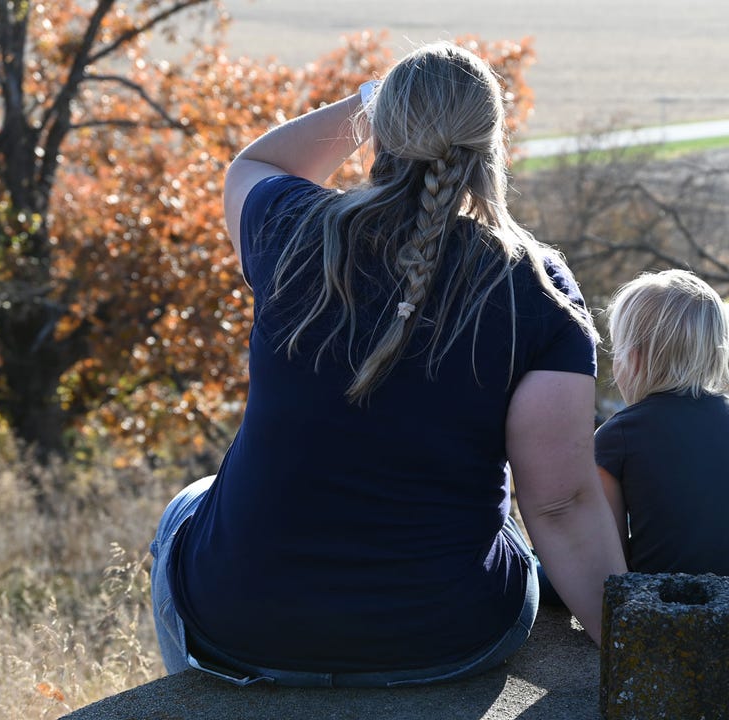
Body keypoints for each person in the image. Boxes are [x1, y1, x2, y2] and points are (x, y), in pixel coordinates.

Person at [149, 41, 626, 687]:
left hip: (240, 626)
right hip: (450, 636)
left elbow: (256, 162)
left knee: (191, 501)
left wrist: (370, 99)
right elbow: (563, 504)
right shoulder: (537, 288)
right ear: (490, 146)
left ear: (384, 132)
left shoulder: (291, 229)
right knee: (501, 525)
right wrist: (636, 657)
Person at [593, 269, 729, 576]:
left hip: (664, 608)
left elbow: (609, 560)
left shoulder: (618, 435)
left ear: (634, 358)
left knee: (543, 572)